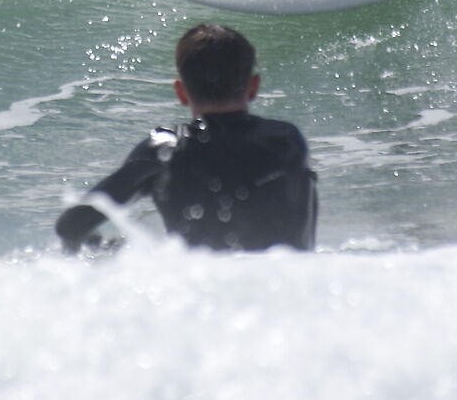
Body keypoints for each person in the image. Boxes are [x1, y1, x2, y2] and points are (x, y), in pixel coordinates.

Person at [55, 22, 317, 253]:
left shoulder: (163, 150)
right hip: (289, 290)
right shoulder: (287, 141)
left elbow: (70, 226)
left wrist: (114, 250)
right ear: (254, 86)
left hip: (203, 294)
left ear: (181, 92)